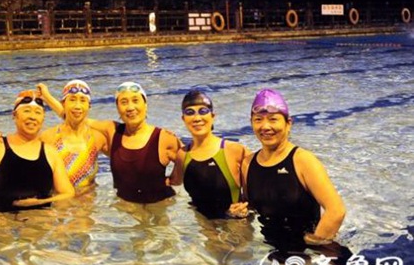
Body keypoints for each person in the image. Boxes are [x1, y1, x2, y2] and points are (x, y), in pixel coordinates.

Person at [242, 89, 346, 251]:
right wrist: (240, 211)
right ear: (251, 123)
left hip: (310, 247)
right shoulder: (248, 163)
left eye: (273, 119)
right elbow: (252, 207)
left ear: (288, 123)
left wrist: (313, 245)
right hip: (271, 245)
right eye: (258, 120)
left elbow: (336, 211)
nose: (265, 126)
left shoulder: (303, 160)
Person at [83, 81, 183, 204]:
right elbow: (77, 118)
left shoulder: (163, 137)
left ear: (145, 104)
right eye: (124, 102)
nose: (130, 108)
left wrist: (175, 179)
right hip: (125, 208)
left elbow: (189, 159)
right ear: (117, 108)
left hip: (159, 207)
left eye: (135, 101)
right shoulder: (112, 131)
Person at [0, 90, 75, 212]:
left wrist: (41, 202)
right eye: (26, 111)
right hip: (3, 220)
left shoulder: (51, 153)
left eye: (38, 112)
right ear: (14, 115)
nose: (32, 117)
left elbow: (68, 194)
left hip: (40, 219)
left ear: (43, 118)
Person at [176, 88, 249, 219]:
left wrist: (248, 207)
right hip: (203, 225)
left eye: (203, 111)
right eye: (190, 112)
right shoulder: (182, 155)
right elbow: (172, 183)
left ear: (212, 116)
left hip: (236, 224)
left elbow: (261, 186)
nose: (197, 118)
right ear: (183, 118)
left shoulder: (234, 150)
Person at [36, 80, 108, 194]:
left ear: (89, 106)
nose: (77, 106)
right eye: (72, 100)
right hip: (59, 204)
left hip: (91, 205)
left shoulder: (97, 138)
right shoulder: (48, 138)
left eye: (83, 100)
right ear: (64, 103)